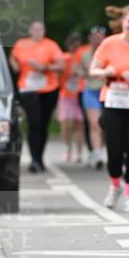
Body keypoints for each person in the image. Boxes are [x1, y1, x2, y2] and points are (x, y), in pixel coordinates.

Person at [89, 4, 129, 211]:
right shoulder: (109, 43)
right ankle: (115, 185)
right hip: (113, 101)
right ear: (122, 22)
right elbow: (93, 70)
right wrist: (108, 71)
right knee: (114, 152)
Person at [10, 20, 64, 172]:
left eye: (40, 29)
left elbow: (61, 65)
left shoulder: (51, 45)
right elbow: (13, 58)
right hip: (29, 89)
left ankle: (39, 157)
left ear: (44, 31)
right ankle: (34, 160)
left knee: (43, 124)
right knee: (34, 123)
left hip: (48, 89)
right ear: (30, 30)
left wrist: (45, 67)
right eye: (34, 29)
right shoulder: (21, 44)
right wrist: (16, 66)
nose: (37, 32)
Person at [79, 25, 107, 168]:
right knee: (94, 123)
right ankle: (97, 154)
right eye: (94, 38)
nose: (97, 41)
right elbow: (79, 71)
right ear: (90, 39)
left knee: (103, 124)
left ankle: (100, 149)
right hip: (90, 90)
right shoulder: (84, 55)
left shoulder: (109, 52)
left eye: (100, 38)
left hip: (106, 90)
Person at [57, 32, 85, 163]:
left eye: (77, 44)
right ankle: (68, 149)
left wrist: (80, 71)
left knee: (80, 125)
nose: (75, 46)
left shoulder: (82, 58)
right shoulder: (64, 58)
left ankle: (79, 152)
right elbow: (57, 75)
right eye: (72, 44)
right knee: (66, 124)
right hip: (66, 94)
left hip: (80, 94)